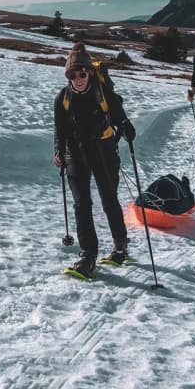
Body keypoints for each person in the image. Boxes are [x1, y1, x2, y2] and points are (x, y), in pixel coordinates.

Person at [53, 44, 135, 279]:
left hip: (103, 150)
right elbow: (59, 129)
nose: (78, 79)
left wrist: (127, 127)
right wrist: (58, 151)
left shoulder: (102, 92)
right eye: (73, 74)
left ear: (89, 72)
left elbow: (120, 117)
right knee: (82, 204)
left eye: (82, 73)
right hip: (75, 152)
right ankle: (88, 255)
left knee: (108, 198)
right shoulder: (63, 98)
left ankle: (120, 246)